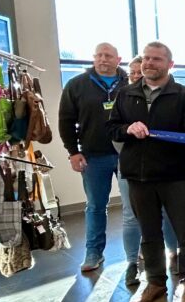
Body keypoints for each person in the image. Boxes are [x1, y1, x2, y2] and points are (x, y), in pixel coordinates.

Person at [107, 41, 185, 302]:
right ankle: (154, 282)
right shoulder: (126, 94)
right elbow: (112, 129)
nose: (149, 63)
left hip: (175, 176)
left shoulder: (184, 96)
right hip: (138, 177)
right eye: (146, 59)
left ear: (169, 64)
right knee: (149, 233)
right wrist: (128, 128)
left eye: (156, 59)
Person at [57, 42, 137, 274]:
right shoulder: (77, 85)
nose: (103, 59)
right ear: (93, 58)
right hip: (93, 156)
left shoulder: (129, 83)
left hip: (127, 154)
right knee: (95, 206)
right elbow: (65, 121)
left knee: (132, 207)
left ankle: (136, 252)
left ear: (117, 59)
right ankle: (94, 253)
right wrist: (73, 152)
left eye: (108, 55)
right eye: (99, 55)